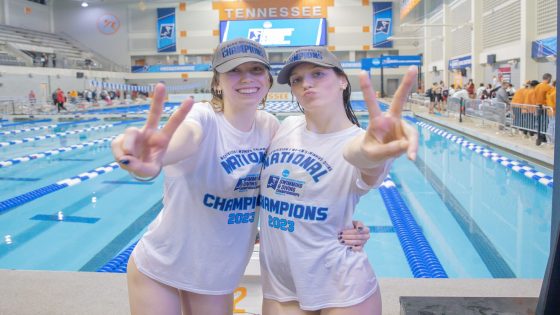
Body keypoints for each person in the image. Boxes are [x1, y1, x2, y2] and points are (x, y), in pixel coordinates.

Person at [111, 38, 368, 314]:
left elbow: (296, 184)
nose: (246, 78)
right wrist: (153, 156)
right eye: (234, 70)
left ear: (268, 80)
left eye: (256, 70)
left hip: (217, 275)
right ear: (217, 83)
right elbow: (184, 139)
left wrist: (342, 223)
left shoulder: (270, 127)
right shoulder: (203, 118)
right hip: (161, 263)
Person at [259, 47, 418, 314]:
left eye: (317, 74)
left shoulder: (362, 142)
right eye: (296, 80)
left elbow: (364, 162)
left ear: (342, 80)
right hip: (281, 286)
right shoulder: (285, 127)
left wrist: (370, 154)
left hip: (341, 287)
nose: (306, 83)